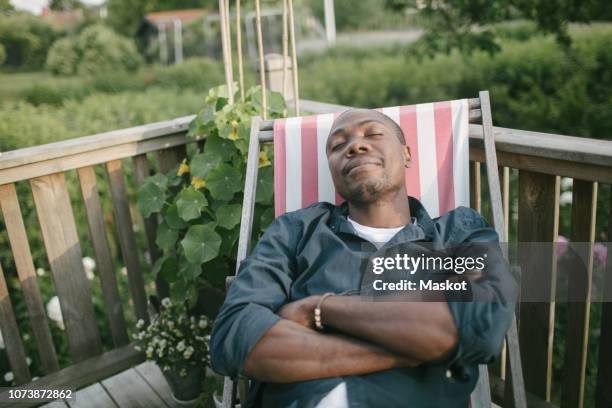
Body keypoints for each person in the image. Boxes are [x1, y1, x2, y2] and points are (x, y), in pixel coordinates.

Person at [209, 108, 518, 407]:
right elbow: (235, 336)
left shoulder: (458, 233)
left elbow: (481, 326)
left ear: (407, 154)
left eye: (373, 133)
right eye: (337, 145)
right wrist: (418, 346)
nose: (355, 145)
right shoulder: (296, 232)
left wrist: (320, 308)